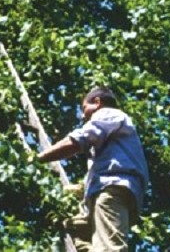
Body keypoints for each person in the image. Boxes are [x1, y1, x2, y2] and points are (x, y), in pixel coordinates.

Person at [36, 87, 149, 252]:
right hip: (116, 191)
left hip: (112, 190)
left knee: (109, 248)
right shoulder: (114, 149)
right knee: (77, 230)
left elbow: (79, 140)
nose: (83, 115)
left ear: (97, 102)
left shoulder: (108, 113)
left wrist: (39, 159)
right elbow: (101, 172)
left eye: (84, 108)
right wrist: (74, 190)